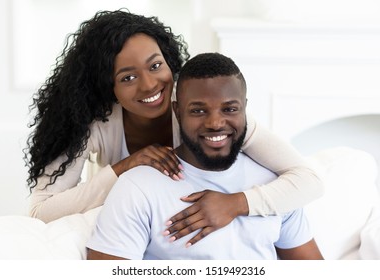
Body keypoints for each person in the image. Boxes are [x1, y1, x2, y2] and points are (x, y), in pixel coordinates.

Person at [24, 9, 323, 246]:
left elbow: (309, 179)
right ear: (107, 86)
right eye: (128, 77)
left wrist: (237, 204)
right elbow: (40, 212)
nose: (150, 85)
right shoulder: (97, 122)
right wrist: (123, 168)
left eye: (155, 66)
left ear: (169, 61)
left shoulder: (204, 112)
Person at [86, 52, 324, 260]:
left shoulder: (277, 187)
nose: (215, 123)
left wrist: (236, 204)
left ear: (244, 108)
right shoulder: (138, 187)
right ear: (177, 112)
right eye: (198, 111)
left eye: (229, 109)